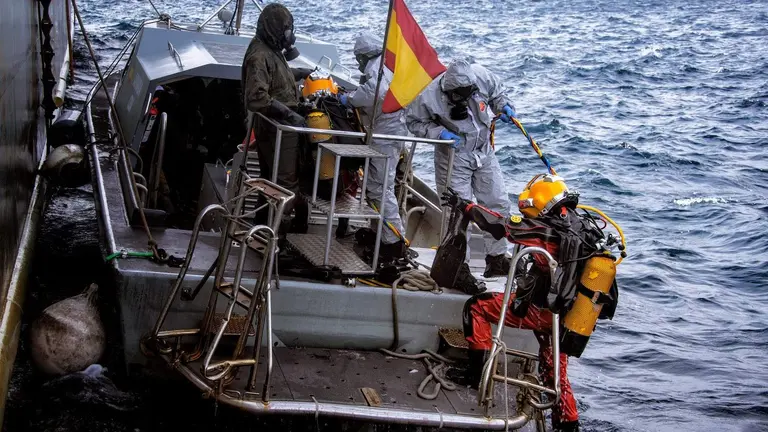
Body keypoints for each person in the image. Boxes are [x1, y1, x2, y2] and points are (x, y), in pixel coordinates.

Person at [442, 174, 620, 432]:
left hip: (541, 311)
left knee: (476, 307)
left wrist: (466, 206)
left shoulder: (547, 231)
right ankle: (568, 424)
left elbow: (501, 226)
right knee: (555, 373)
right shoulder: (585, 228)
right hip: (568, 316)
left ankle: (476, 375)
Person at [405, 59, 518, 279]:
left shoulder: (481, 76)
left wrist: (503, 105)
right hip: (453, 156)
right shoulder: (428, 97)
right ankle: (457, 267)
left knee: (497, 203)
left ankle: (496, 259)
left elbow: (497, 94)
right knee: (457, 213)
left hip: (483, 150)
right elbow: (414, 122)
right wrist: (439, 133)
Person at [241, 3, 312, 233]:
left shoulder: (270, 49)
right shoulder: (258, 55)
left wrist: (298, 74)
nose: (288, 35)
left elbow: (275, 76)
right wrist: (289, 114)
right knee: (284, 184)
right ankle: (278, 235)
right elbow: (256, 97)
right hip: (277, 128)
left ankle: (262, 228)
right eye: (285, 30)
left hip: (280, 126)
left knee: (269, 180)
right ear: (273, 29)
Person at [339, 32, 408, 260]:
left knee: (380, 188)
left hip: (387, 135)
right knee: (375, 186)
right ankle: (379, 232)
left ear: (363, 55)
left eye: (358, 58)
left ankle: (393, 242)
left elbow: (375, 92)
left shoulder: (377, 68)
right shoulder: (384, 64)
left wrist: (350, 99)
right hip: (386, 131)